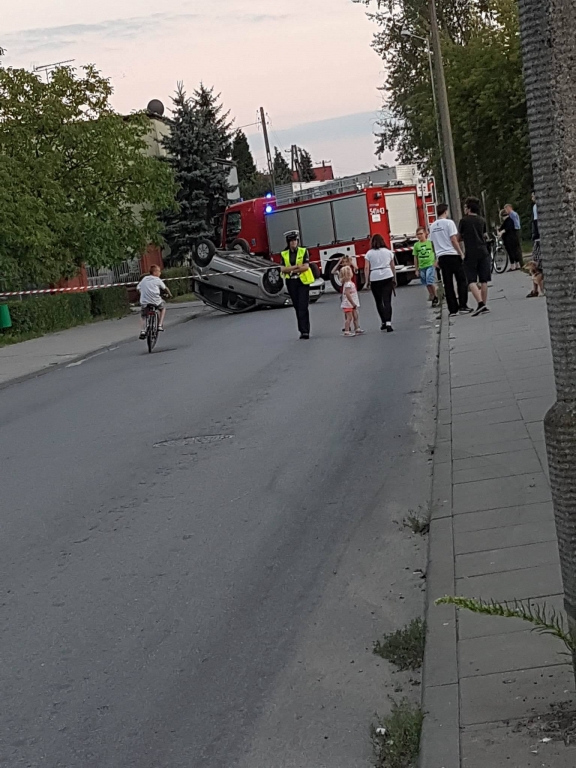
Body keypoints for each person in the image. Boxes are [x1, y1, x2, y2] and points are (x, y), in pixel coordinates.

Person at [429, 204, 471, 317]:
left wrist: (436, 257)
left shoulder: (432, 226)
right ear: (445, 211)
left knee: (448, 283)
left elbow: (432, 243)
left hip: (442, 257)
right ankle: (463, 305)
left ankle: (452, 309)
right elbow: (453, 239)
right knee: (461, 280)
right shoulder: (449, 223)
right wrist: (460, 253)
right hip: (452, 254)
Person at [458, 197, 491, 316]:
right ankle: (484, 305)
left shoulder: (464, 221)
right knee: (484, 280)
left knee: (471, 279)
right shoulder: (482, 220)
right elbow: (485, 235)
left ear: (468, 208)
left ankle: (480, 303)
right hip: (483, 251)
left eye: (465, 207)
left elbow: (459, 237)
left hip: (471, 252)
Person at [280, 231, 315, 339]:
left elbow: (305, 267)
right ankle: (301, 330)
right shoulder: (284, 254)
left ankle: (305, 331)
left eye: (295, 240)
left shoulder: (303, 251)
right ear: (288, 242)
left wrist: (291, 270)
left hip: (302, 281)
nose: (293, 242)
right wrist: (296, 267)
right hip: (291, 282)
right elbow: (283, 269)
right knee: (297, 306)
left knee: (303, 305)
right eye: (291, 241)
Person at [363, 234, 396, 332]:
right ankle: (389, 323)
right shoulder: (388, 252)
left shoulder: (369, 253)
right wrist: (394, 278)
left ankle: (383, 322)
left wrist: (367, 281)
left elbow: (366, 268)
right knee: (387, 301)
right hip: (387, 275)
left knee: (379, 301)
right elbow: (392, 266)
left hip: (375, 277)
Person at [137, 265, 172, 339]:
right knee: (163, 308)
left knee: (143, 316)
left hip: (144, 301)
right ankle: (160, 325)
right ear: (155, 272)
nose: (160, 273)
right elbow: (165, 288)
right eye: (159, 271)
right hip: (156, 301)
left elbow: (138, 288)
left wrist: (142, 293)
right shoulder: (158, 280)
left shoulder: (144, 279)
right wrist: (170, 295)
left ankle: (143, 331)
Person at [413, 227, 439, 308]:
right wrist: (416, 269)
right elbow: (415, 257)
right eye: (418, 234)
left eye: (421, 234)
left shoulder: (430, 243)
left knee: (429, 280)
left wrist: (436, 261)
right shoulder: (416, 245)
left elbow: (436, 252)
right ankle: (432, 294)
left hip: (430, 265)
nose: (419, 236)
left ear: (425, 234)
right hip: (422, 266)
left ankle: (435, 296)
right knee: (425, 282)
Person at [527, 191, 544, 297]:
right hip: (539, 237)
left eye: (533, 195)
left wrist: (536, 236)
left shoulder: (536, 207)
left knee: (535, 264)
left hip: (538, 238)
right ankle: (536, 289)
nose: (532, 197)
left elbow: (536, 222)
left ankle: (537, 289)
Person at [340, 265, 364, 336]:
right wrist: (353, 303)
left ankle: (357, 328)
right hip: (348, 304)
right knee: (349, 317)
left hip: (353, 303)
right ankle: (347, 331)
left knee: (355, 316)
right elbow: (347, 294)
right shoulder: (348, 284)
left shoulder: (350, 283)